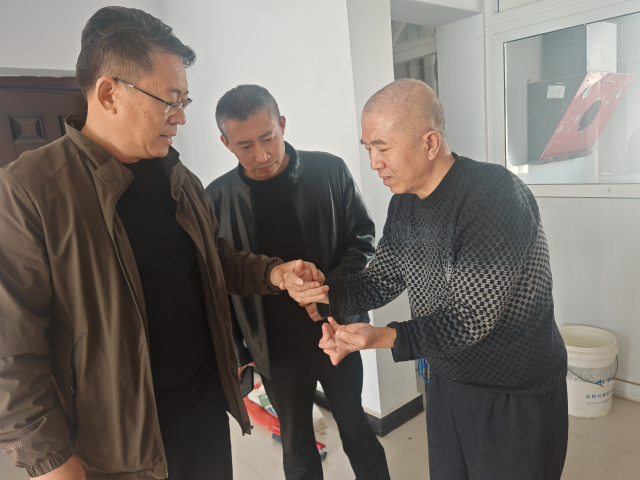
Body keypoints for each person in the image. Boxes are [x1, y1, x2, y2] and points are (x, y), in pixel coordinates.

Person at [0, 8, 321, 480]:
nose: (181, 117)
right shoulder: (30, 191)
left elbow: (214, 261)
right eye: (170, 101)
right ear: (109, 94)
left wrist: (274, 273)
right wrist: (48, 461)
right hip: (115, 448)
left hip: (203, 412)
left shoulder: (179, 177)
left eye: (184, 101)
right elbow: (12, 349)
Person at [285, 79, 570, 480]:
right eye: (368, 148)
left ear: (430, 143)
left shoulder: (493, 196)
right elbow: (381, 279)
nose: (374, 162)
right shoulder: (404, 204)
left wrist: (381, 336)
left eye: (383, 147)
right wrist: (321, 292)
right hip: (446, 379)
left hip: (512, 391)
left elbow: (470, 317)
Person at [206, 85, 390, 480]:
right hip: (274, 350)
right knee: (297, 450)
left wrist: (329, 292)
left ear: (283, 125)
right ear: (226, 143)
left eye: (268, 137)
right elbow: (220, 281)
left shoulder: (329, 171)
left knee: (359, 433)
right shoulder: (215, 198)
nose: (262, 155)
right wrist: (240, 351)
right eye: (245, 146)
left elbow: (363, 240)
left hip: (337, 331)